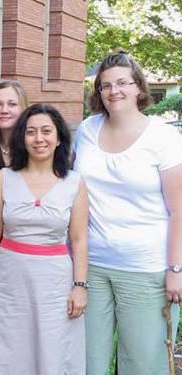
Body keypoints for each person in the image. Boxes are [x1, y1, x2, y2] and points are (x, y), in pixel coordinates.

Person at [75, 51, 182, 375]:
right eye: (105, 85)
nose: (113, 91)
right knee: (86, 361)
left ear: (138, 87)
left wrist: (175, 268)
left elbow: (178, 209)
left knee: (142, 364)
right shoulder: (86, 130)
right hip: (92, 267)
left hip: (145, 268)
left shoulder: (163, 136)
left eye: (122, 82)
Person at [0, 104, 88, 374]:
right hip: (7, 281)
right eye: (31, 132)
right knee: (6, 352)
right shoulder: (4, 177)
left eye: (46, 131)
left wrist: (80, 286)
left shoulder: (74, 182)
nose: (39, 139)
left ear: (59, 138)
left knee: (51, 353)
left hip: (55, 285)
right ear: (22, 138)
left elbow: (80, 239)